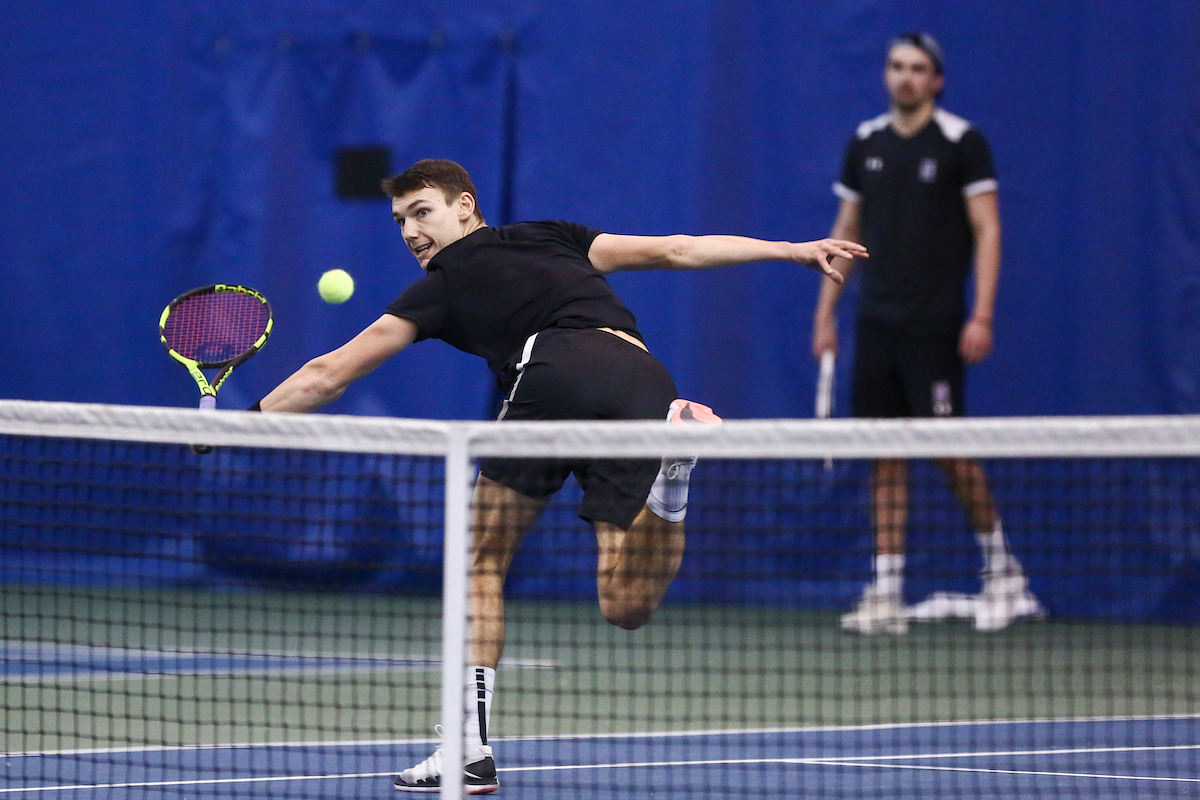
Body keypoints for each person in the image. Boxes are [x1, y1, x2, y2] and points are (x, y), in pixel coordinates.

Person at [253, 158, 867, 793]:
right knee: (624, 603)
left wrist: (242, 423)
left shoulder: (441, 284)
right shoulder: (555, 234)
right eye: (401, 220)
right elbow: (675, 250)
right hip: (643, 379)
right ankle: (673, 477)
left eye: (423, 212)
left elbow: (332, 372)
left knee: (479, 560)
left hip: (552, 370)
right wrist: (790, 249)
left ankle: (467, 747)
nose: (411, 232)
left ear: (465, 206)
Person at [812, 33, 1044, 635]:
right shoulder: (865, 144)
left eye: (917, 69)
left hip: (935, 325)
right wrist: (825, 314)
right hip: (876, 324)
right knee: (884, 455)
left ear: (936, 80)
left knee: (949, 450)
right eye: (896, 67)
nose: (905, 77)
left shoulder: (963, 142)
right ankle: (886, 590)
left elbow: (988, 230)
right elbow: (845, 231)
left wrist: (982, 314)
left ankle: (1004, 573)